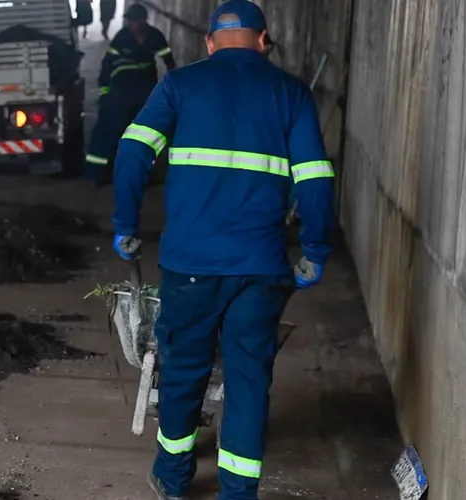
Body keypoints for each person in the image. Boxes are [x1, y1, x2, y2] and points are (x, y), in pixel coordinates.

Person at [110, 1, 335, 499]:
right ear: (263, 40)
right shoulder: (291, 94)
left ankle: (172, 479)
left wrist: (126, 224)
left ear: (209, 43)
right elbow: (316, 180)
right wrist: (315, 250)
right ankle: (238, 492)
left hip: (190, 263)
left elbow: (131, 151)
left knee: (182, 369)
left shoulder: (179, 85)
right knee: (249, 380)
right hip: (260, 268)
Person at [83, 4, 175, 185]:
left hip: (144, 91)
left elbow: (169, 61)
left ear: (143, 20)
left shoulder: (155, 36)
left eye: (134, 20)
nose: (131, 24)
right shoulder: (121, 37)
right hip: (121, 91)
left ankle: (141, 174)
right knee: (106, 131)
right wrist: (104, 93)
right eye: (130, 20)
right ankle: (95, 173)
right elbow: (106, 67)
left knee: (143, 135)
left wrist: (170, 89)